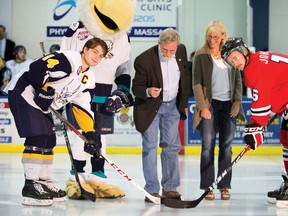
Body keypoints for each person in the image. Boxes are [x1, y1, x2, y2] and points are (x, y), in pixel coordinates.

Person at [3, 37, 108, 206]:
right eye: (94, 51)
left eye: (101, 55)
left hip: (41, 103)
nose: (97, 57)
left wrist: (90, 134)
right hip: (23, 91)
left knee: (49, 139)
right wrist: (43, 89)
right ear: (85, 49)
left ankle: (43, 182)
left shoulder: (88, 78)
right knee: (38, 136)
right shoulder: (69, 60)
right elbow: (37, 67)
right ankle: (30, 185)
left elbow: (81, 107)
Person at [61, 0, 135, 199]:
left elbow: (123, 69)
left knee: (100, 137)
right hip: (78, 92)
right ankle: (76, 178)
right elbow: (63, 61)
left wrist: (121, 92)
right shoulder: (76, 30)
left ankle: (96, 180)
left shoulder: (122, 37)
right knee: (80, 135)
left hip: (104, 94)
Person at [221, 37, 288, 208]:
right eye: (231, 61)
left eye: (235, 58)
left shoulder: (254, 69)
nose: (235, 63)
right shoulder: (257, 60)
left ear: (244, 51)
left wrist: (255, 128)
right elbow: (274, 86)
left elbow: (262, 100)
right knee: (285, 137)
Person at [132, 28, 189, 202]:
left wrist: (183, 104)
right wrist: (148, 91)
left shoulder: (181, 51)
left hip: (172, 107)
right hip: (151, 107)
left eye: (172, 50)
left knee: (171, 147)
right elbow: (136, 88)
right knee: (150, 147)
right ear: (159, 44)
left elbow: (185, 78)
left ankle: (171, 188)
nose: (169, 53)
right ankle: (152, 189)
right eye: (165, 50)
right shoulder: (144, 60)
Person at [192, 20, 245, 201]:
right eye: (209, 36)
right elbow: (196, 83)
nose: (212, 40)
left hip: (228, 105)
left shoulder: (230, 54)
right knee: (207, 146)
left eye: (216, 36)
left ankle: (224, 185)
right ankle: (208, 187)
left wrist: (237, 101)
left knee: (227, 147)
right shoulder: (200, 55)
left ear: (223, 36)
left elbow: (238, 79)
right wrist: (203, 107)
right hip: (210, 104)